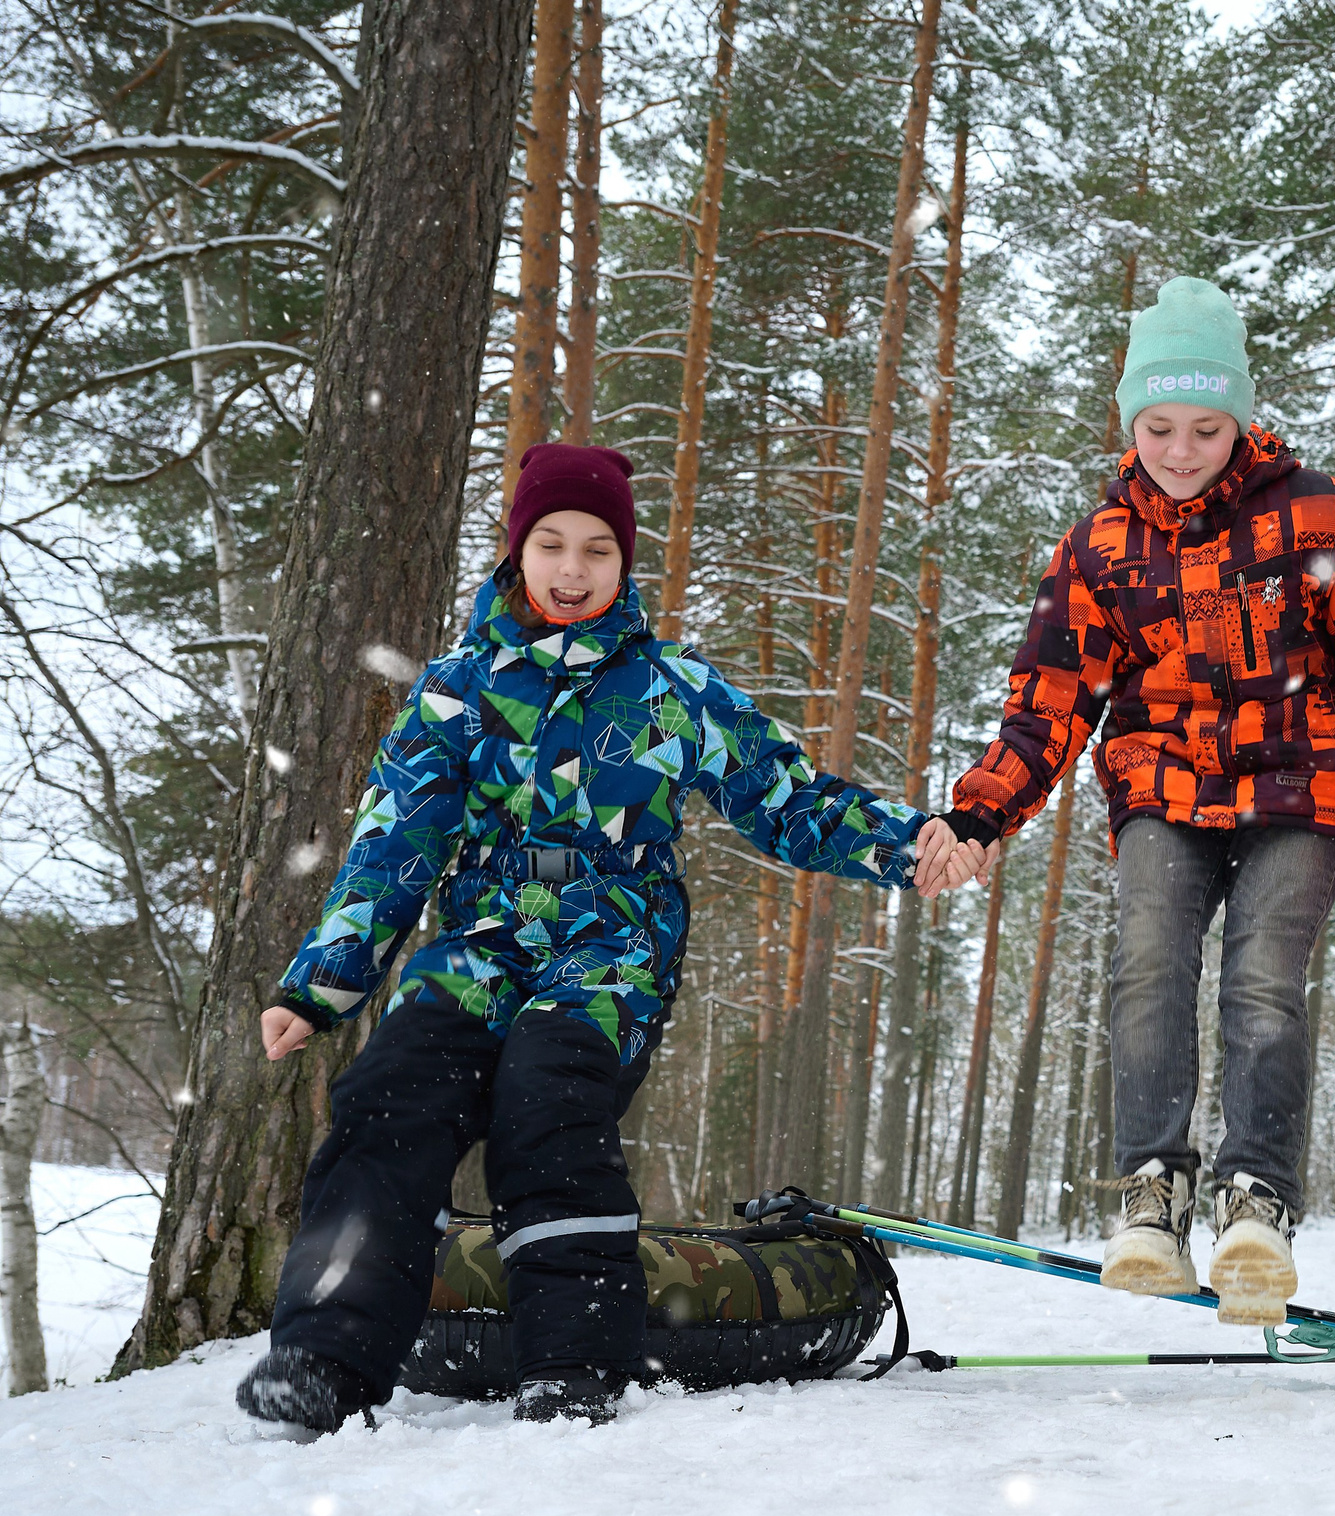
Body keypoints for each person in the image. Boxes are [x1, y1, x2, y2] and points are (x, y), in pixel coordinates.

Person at [235, 443, 948, 1431]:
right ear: (518, 552)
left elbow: (784, 799)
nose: (573, 570)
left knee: (548, 1095)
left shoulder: (670, 687)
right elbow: (393, 847)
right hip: (481, 938)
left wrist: (912, 846)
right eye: (553, 544)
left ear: (625, 564)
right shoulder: (457, 689)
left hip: (611, 943)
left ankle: (575, 1362)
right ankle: (322, 1356)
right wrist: (319, 987)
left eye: (598, 550)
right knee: (388, 1094)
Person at [911, 278, 1335, 1326]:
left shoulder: (1318, 510)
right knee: (1149, 960)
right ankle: (1152, 1194)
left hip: (1302, 777)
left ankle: (1257, 1198)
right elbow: (1046, 704)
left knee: (1261, 978)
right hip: (1164, 782)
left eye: (1205, 426)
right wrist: (977, 815)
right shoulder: (1101, 546)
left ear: (1239, 420)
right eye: (1159, 426)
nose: (1183, 447)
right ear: (1129, 421)